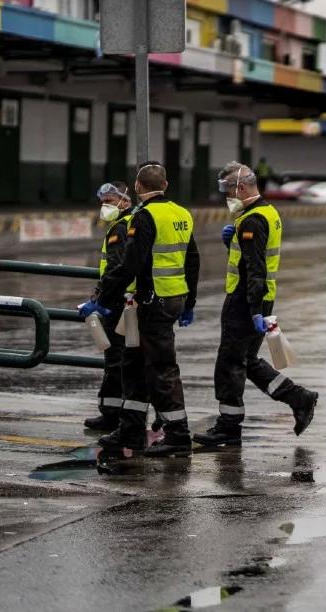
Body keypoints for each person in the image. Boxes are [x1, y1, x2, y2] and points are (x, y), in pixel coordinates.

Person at [192, 163, 319, 447]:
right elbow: (251, 259)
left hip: (244, 300)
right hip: (258, 296)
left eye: (228, 190)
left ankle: (228, 427)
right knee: (246, 361)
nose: (226, 196)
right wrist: (232, 242)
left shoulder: (251, 220)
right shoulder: (267, 212)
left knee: (229, 363)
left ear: (241, 187)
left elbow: (255, 268)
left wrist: (254, 310)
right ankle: (299, 398)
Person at [83, 161, 200, 458]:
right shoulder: (182, 214)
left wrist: (102, 300)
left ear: (137, 188)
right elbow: (193, 260)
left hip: (152, 301)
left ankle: (178, 434)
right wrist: (190, 302)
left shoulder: (144, 216)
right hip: (173, 300)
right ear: (166, 186)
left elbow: (129, 265)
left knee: (161, 368)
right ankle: (131, 430)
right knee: (132, 364)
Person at [82, 182, 135, 432]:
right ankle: (115, 413)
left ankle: (112, 416)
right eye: (103, 202)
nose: (105, 207)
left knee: (116, 359)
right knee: (120, 359)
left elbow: (115, 268)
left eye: (111, 202)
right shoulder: (127, 224)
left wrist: (100, 301)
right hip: (123, 300)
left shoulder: (121, 228)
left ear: (125, 202)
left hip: (117, 302)